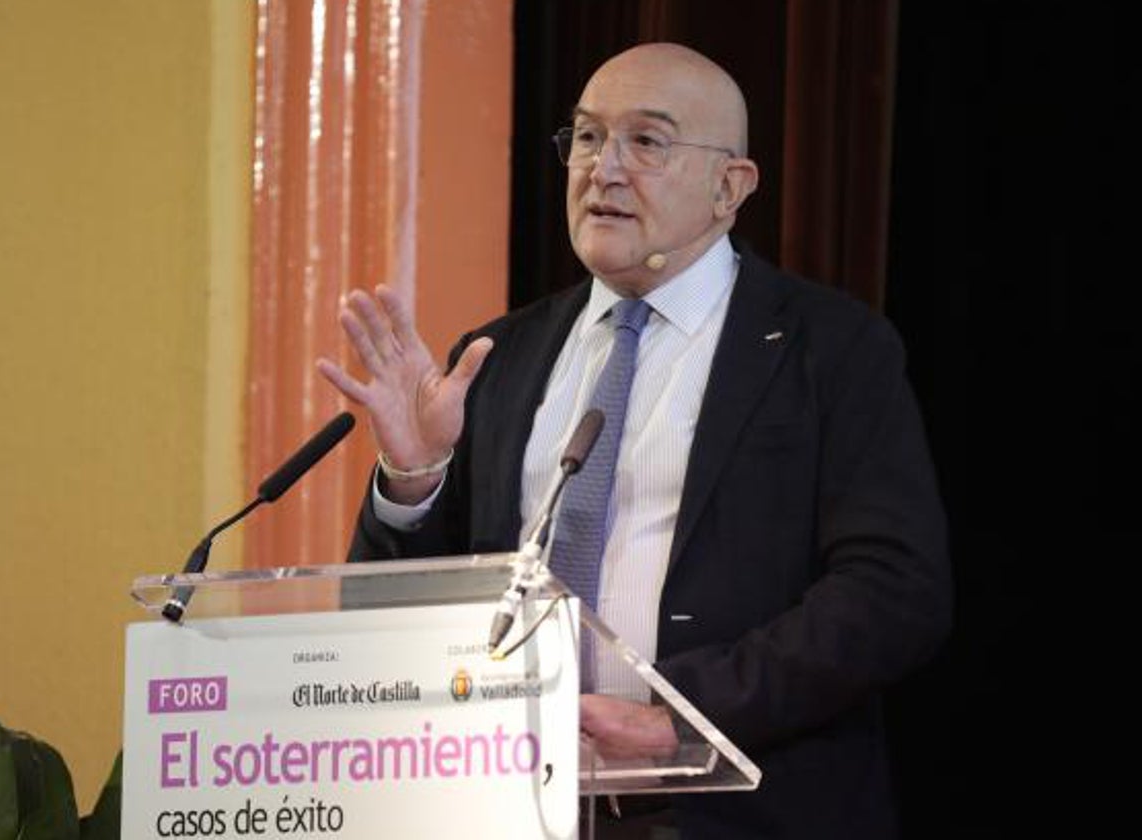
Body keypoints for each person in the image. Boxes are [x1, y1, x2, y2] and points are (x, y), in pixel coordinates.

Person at [318, 42, 951, 839]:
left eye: (646, 142)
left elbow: (895, 592)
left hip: (739, 812)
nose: (602, 169)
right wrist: (415, 482)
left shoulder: (828, 348)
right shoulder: (499, 356)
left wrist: (680, 715)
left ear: (730, 187)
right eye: (585, 137)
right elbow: (396, 625)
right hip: (510, 808)